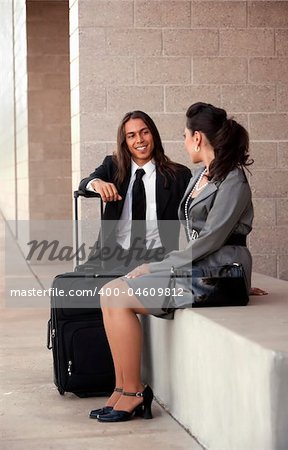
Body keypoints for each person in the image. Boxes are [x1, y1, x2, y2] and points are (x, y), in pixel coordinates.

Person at [93, 102, 258, 423]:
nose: (182, 142)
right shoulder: (200, 176)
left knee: (118, 294)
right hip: (203, 270)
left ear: (198, 138)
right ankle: (123, 388)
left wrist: (157, 266)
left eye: (185, 136)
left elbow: (212, 238)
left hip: (220, 275)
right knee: (110, 292)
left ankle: (136, 393)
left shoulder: (233, 180)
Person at [79, 110, 192, 272]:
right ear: (125, 141)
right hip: (114, 255)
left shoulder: (178, 175)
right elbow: (85, 183)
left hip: (158, 258)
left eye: (144, 132)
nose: (139, 140)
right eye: (131, 135)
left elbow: (194, 214)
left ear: (153, 135)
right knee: (68, 287)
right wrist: (97, 183)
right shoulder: (113, 166)